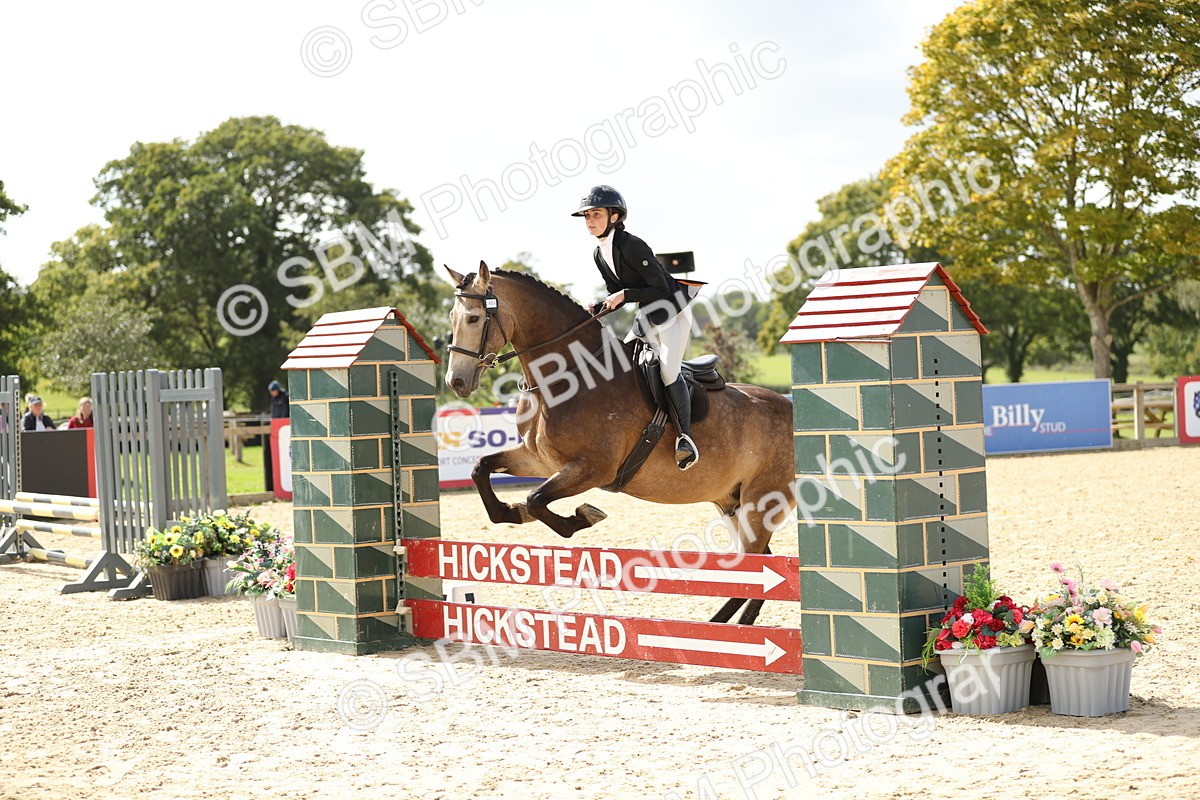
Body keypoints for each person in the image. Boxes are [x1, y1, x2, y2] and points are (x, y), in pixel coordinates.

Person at [572, 185, 700, 470]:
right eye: (586, 216)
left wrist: (625, 295)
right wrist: (597, 307)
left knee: (668, 369)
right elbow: (616, 292)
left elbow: (660, 288)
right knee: (624, 360)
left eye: (596, 214)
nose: (590, 221)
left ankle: (685, 438)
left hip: (672, 310)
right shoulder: (599, 253)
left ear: (615, 216)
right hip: (647, 315)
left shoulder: (633, 245)